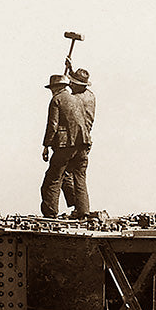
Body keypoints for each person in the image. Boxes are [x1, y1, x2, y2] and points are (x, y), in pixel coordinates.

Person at [40, 74, 91, 218]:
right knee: (79, 179)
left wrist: (46, 145)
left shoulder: (56, 99)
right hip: (83, 145)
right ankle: (83, 212)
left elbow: (52, 125)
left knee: (52, 179)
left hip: (65, 146)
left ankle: (50, 213)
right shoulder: (77, 99)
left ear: (55, 88)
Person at [61, 65, 95, 214]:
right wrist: (71, 69)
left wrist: (59, 93)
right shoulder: (90, 95)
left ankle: (76, 205)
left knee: (62, 174)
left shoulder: (75, 99)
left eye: (73, 83)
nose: (70, 84)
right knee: (80, 177)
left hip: (74, 141)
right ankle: (82, 210)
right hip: (85, 141)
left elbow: (64, 101)